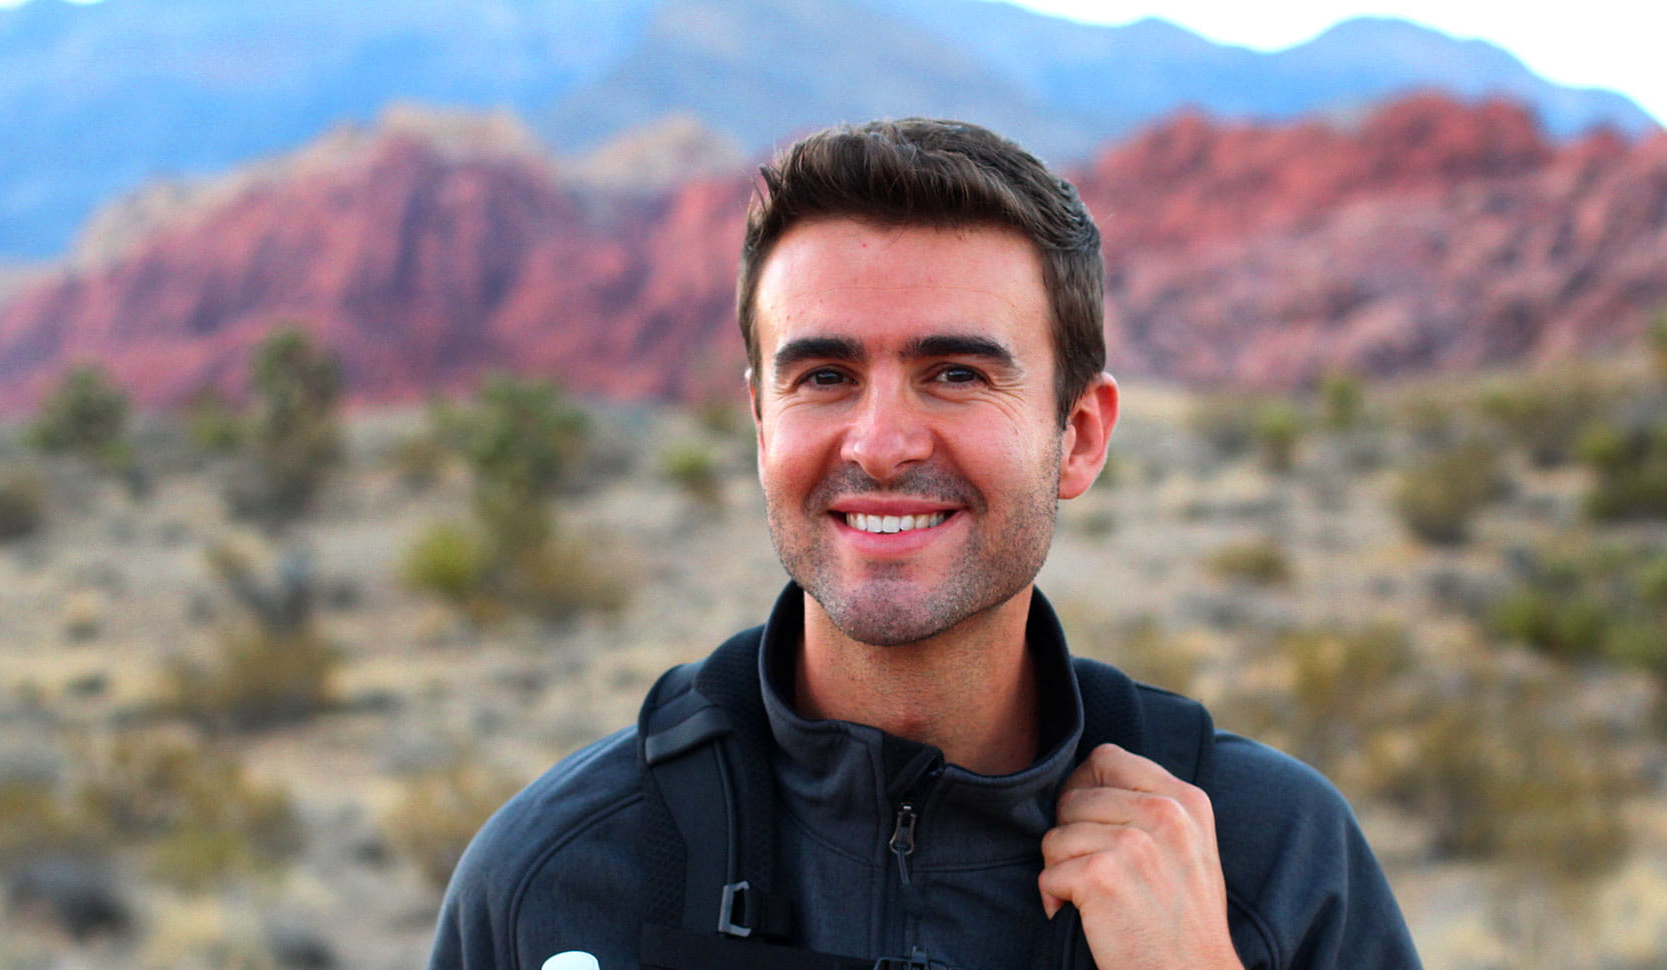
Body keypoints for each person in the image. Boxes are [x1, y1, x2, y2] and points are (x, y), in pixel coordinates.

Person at [428, 118, 1421, 970]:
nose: (881, 443)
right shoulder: (560, 881)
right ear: (760, 426)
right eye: (822, 376)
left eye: (952, 372)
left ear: (1076, 435)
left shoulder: (1270, 861)